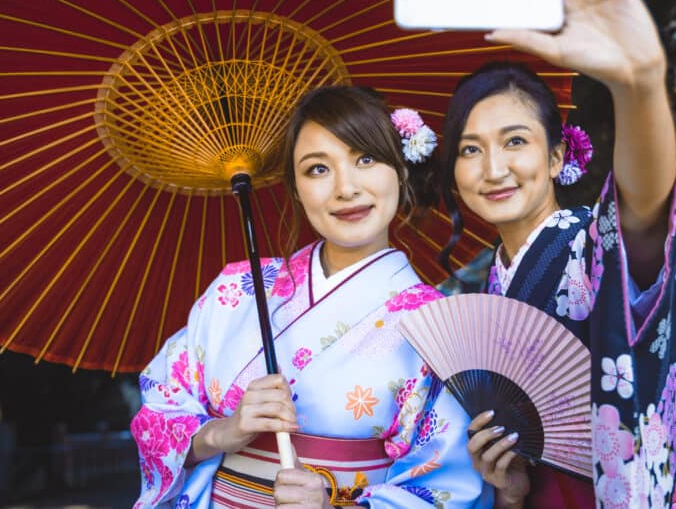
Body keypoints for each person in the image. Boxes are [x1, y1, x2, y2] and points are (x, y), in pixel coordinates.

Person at [436, 0, 676, 508]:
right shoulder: (486, 288)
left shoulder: (589, 246)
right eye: (470, 150)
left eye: (515, 142)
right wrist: (509, 490)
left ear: (556, 157)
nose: (493, 169)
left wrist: (639, 84)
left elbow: (644, 211)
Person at [131, 87, 486, 508]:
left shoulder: (438, 327)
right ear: (297, 189)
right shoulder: (236, 290)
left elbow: (447, 487)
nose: (345, 188)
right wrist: (219, 433)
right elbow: (158, 409)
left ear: (401, 171)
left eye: (366, 159)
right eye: (318, 169)